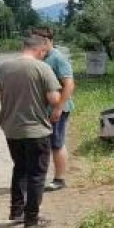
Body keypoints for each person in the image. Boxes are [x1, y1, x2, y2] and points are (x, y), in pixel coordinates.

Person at [0, 35, 61, 228]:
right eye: (44, 53)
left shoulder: (4, 67)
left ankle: (16, 211)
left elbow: (0, 95)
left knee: (19, 168)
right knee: (37, 174)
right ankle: (31, 219)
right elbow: (54, 98)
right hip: (36, 130)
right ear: (40, 50)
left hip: (12, 128)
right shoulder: (42, 68)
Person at [30, 26, 75, 192]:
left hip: (57, 110)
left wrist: (58, 108)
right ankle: (38, 179)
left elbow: (69, 85)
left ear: (47, 41)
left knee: (57, 143)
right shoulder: (40, 57)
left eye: (37, 41)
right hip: (43, 110)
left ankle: (59, 179)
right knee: (41, 145)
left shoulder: (57, 58)